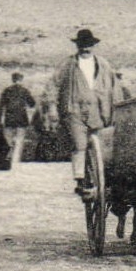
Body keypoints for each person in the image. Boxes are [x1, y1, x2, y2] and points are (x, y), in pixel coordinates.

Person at [54, 28, 120, 196]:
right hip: (74, 110)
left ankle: (99, 177)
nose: (85, 48)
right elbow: (53, 85)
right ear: (77, 46)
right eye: (82, 45)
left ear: (93, 46)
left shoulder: (103, 65)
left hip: (99, 110)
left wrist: (117, 108)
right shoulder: (68, 64)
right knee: (79, 145)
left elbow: (115, 88)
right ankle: (80, 179)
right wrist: (53, 108)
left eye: (88, 45)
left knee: (99, 146)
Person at [0, 72, 36, 170]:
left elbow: (1, 106)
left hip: (9, 118)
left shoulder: (6, 90)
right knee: (19, 140)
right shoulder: (24, 90)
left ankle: (8, 158)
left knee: (8, 139)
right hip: (21, 118)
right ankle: (16, 160)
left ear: (12, 80)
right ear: (21, 80)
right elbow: (32, 104)